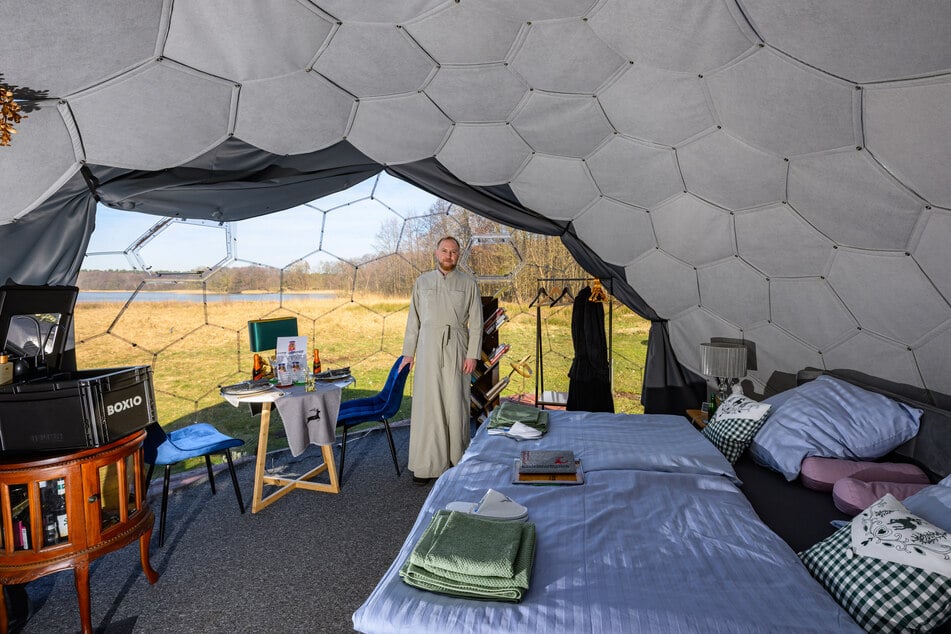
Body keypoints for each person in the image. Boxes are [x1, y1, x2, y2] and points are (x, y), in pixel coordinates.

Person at [401, 236, 482, 485]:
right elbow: (413, 320)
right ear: (436, 253)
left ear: (459, 256)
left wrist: (472, 354)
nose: (449, 255)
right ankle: (426, 465)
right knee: (428, 405)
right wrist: (408, 352)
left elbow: (477, 322)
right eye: (445, 251)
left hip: (457, 346)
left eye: (454, 252)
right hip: (426, 347)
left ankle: (456, 462)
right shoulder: (422, 282)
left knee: (454, 402)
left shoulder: (468, 283)